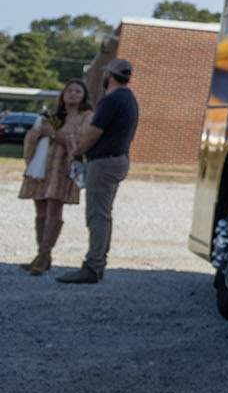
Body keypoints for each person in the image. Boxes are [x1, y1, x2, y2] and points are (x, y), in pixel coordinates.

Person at [58, 57, 138, 285]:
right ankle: (98, 263)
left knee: (97, 216)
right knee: (104, 214)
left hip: (104, 163)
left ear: (109, 75)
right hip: (118, 159)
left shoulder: (111, 100)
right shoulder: (129, 98)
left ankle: (92, 267)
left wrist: (77, 151)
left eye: (105, 73)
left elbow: (93, 132)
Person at [16, 80, 88, 275]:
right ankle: (42, 256)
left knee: (53, 208)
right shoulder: (53, 116)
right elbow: (32, 137)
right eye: (69, 90)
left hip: (61, 168)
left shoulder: (86, 116)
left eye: (77, 91)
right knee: (40, 207)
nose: (72, 94)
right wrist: (38, 131)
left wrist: (55, 135)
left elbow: (81, 140)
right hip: (41, 166)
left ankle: (44, 256)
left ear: (84, 96)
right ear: (63, 94)